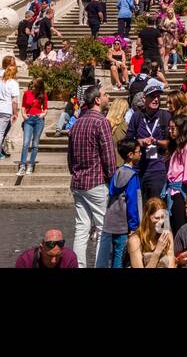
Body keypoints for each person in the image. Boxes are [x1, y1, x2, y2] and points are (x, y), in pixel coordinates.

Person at [69, 84, 117, 268]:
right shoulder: (101, 122)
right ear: (97, 99)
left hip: (78, 181)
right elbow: (108, 155)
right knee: (103, 229)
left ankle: (79, 266)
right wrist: (112, 179)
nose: (108, 97)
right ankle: (100, 265)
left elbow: (69, 157)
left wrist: (75, 173)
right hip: (96, 181)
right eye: (105, 95)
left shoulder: (77, 122)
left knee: (81, 229)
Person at [97, 140, 141, 268]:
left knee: (116, 252)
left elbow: (111, 191)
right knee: (120, 255)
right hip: (124, 223)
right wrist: (134, 225)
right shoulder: (132, 176)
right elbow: (132, 202)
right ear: (130, 155)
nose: (141, 154)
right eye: (138, 152)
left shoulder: (117, 172)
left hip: (113, 220)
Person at [128, 196, 175, 268]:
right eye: (157, 218)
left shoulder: (167, 235)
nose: (160, 222)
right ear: (147, 217)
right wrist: (157, 251)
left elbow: (171, 265)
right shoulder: (135, 240)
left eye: (163, 217)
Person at [0, 61, 20, 161]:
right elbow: (14, 100)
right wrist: (15, 113)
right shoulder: (13, 83)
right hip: (5, 108)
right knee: (0, 131)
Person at [19, 77, 48, 176]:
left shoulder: (43, 95)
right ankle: (22, 166)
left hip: (39, 120)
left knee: (35, 144)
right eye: (32, 85)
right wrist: (23, 115)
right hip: (28, 119)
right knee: (26, 143)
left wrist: (43, 114)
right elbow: (23, 106)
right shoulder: (27, 93)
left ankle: (30, 165)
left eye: (35, 86)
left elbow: (45, 108)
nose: (33, 87)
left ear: (39, 87)